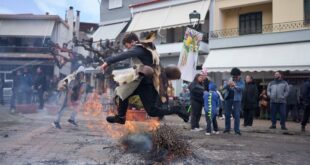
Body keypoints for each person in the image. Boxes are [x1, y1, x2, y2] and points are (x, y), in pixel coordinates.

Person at [100, 33, 189, 124]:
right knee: (123, 93)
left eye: (128, 46)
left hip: (147, 84)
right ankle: (121, 117)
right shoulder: (148, 48)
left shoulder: (139, 48)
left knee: (152, 111)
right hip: (143, 82)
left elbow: (125, 55)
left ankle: (177, 109)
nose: (128, 49)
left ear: (132, 42)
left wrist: (107, 62)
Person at [223, 67, 244, 135]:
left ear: (238, 75)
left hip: (237, 99)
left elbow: (242, 88)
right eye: (233, 76)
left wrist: (235, 86)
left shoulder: (241, 81)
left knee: (237, 115)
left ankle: (237, 130)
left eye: (236, 76)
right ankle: (227, 129)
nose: (234, 77)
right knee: (227, 114)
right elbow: (224, 88)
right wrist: (228, 84)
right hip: (228, 98)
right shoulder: (229, 79)